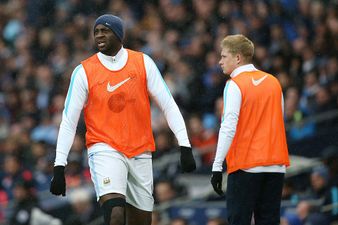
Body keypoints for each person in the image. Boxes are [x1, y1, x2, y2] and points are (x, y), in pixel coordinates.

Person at [49, 14, 196, 225]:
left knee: (142, 221)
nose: (99, 35)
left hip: (140, 149)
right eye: (96, 31)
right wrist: (59, 165)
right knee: (115, 214)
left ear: (119, 34)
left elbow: (168, 105)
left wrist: (185, 145)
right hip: (104, 148)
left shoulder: (143, 63)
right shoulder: (83, 72)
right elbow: (69, 120)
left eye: (104, 30)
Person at [210, 34, 290, 225]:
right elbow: (280, 120)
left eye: (223, 56)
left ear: (238, 58)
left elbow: (228, 127)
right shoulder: (273, 82)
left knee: (239, 220)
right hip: (275, 165)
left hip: (246, 165)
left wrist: (216, 165)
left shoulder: (235, 84)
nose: (219, 62)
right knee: (269, 221)